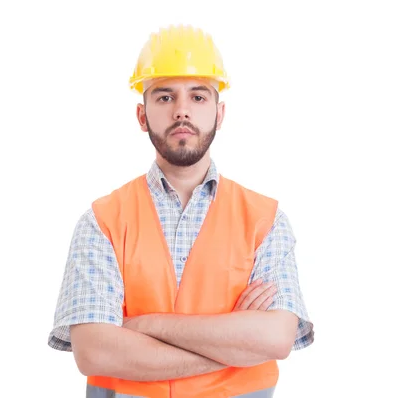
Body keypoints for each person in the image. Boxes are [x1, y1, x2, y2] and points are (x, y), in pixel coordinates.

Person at [48, 24, 314, 398]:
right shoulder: (102, 221)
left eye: (198, 97)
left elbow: (276, 338)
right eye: (164, 97)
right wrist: (236, 345)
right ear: (142, 116)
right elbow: (94, 350)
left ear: (220, 114)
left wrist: (145, 325)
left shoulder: (266, 220)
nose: (182, 111)